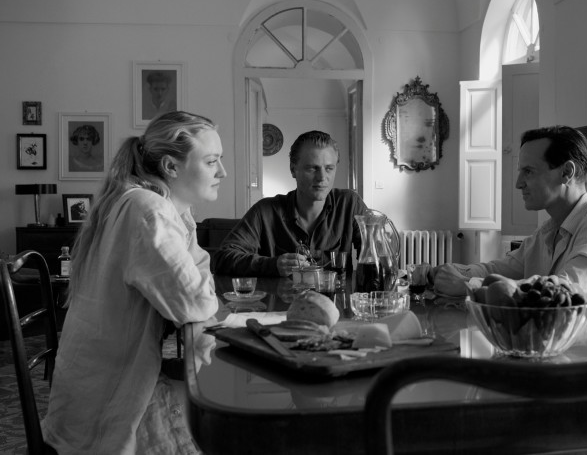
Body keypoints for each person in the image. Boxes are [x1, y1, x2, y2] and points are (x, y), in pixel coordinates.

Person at [42, 111, 225, 453]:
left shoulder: (147, 203)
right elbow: (197, 302)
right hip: (106, 407)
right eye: (212, 161)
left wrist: (185, 217)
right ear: (171, 167)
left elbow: (196, 283)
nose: (222, 172)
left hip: (92, 385)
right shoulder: (148, 210)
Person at [432, 125, 587, 343]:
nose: (518, 183)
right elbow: (499, 270)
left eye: (528, 171)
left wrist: (467, 285)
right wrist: (445, 273)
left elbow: (561, 297)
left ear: (566, 173)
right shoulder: (549, 230)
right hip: (558, 354)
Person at [211, 130, 367, 277]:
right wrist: (273, 265)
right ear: (293, 170)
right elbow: (222, 258)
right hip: (282, 304)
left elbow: (377, 253)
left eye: (329, 168)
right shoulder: (265, 211)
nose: (322, 177)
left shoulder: (350, 204)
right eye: (312, 168)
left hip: (335, 303)